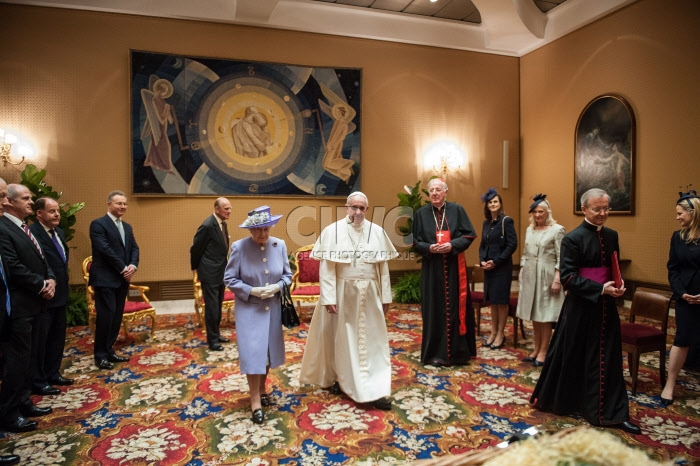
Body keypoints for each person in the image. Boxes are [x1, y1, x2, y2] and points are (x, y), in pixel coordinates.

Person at [530, 188, 641, 435]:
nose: (603, 213)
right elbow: (568, 277)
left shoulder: (612, 235)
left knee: (607, 358)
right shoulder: (572, 238)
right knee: (575, 355)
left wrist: (619, 285)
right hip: (581, 307)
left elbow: (613, 267)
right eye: (597, 209)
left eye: (606, 209)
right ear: (585, 209)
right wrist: (600, 288)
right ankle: (571, 401)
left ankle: (612, 412)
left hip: (606, 307)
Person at [300, 192, 398, 409]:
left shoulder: (377, 232)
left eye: (362, 208)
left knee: (372, 341)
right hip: (343, 294)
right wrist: (328, 297)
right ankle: (341, 380)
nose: (358, 212)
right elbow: (327, 268)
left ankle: (376, 388)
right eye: (354, 207)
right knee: (342, 340)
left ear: (367, 209)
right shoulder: (332, 231)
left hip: (370, 295)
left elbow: (383, 268)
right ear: (346, 207)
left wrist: (386, 296)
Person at [223, 206, 291, 424]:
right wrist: (252, 290)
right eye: (258, 230)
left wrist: (277, 286)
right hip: (249, 308)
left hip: (272, 307)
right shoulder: (239, 247)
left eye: (266, 229)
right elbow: (230, 279)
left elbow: (288, 275)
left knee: (269, 352)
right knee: (253, 353)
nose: (263, 234)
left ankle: (262, 389)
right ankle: (255, 401)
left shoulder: (278, 245)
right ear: (251, 229)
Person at [0, 183, 56, 433]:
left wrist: (50, 279)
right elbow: (12, 265)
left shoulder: (25, 227)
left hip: (37, 303)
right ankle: (9, 414)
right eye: (25, 198)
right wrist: (41, 284)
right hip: (21, 305)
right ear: (10, 202)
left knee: (31, 357)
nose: (31, 202)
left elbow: (43, 259)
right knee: (17, 362)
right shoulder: (3, 228)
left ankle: (23, 402)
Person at [413, 178, 477, 366]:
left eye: (438, 190)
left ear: (445, 192)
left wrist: (452, 245)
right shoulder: (421, 213)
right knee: (434, 309)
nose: (434, 193)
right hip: (432, 269)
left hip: (454, 266)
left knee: (456, 307)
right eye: (431, 190)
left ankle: (458, 354)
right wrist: (430, 248)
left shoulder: (457, 210)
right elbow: (415, 242)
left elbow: (469, 234)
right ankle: (434, 353)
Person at [89, 190, 139, 370]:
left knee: (116, 316)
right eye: (119, 203)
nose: (123, 207)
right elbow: (105, 249)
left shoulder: (127, 227)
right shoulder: (98, 224)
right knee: (106, 316)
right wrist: (123, 268)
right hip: (105, 279)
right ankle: (100, 355)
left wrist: (133, 265)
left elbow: (134, 248)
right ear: (109, 204)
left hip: (122, 280)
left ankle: (109, 349)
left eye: (125, 204)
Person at [30, 197, 74, 395]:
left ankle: (52, 372)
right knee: (42, 340)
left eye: (58, 211)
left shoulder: (60, 232)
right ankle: (38, 381)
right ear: (39, 213)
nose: (57, 214)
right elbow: (36, 264)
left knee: (57, 337)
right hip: (45, 295)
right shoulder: (33, 233)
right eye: (52, 211)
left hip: (61, 294)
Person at [660, 189, 700, 405]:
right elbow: (673, 268)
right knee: (681, 338)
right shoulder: (678, 237)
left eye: (680, 213)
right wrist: (681, 292)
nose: (677, 218)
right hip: (685, 297)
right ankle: (670, 384)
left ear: (693, 213)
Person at [516, 194, 565, 366]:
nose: (538, 215)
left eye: (541, 211)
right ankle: (536, 348)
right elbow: (524, 252)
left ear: (547, 212)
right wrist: (522, 269)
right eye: (535, 212)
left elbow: (561, 257)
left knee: (545, 315)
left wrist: (558, 279)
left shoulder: (557, 230)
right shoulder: (530, 229)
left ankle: (544, 351)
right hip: (530, 274)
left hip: (547, 275)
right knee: (534, 314)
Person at [190, 197, 232, 351]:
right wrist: (195, 267)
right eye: (226, 208)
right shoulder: (207, 225)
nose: (229, 211)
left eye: (229, 208)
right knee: (212, 307)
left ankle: (217, 334)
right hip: (209, 272)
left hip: (220, 271)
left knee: (218, 305)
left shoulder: (223, 224)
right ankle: (212, 340)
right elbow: (195, 248)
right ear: (217, 209)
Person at [478, 188, 517, 349]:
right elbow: (482, 245)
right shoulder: (486, 223)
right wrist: (482, 261)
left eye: (495, 201)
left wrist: (496, 261)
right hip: (489, 268)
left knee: (501, 302)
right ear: (486, 205)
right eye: (490, 202)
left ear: (500, 204)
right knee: (493, 302)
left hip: (502, 267)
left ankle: (501, 333)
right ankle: (493, 332)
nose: (493, 204)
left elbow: (512, 245)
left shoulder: (506, 221)